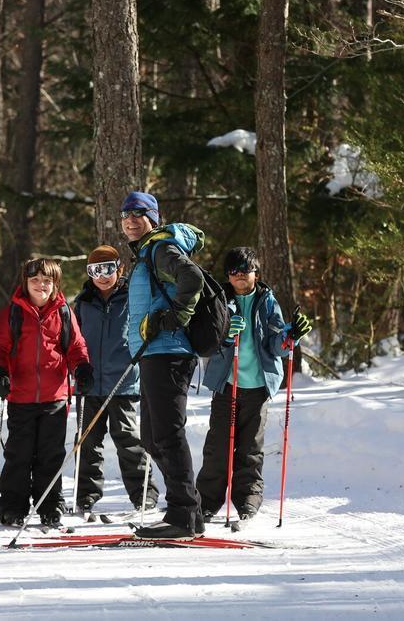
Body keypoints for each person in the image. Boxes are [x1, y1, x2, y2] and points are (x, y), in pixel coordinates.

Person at [196, 247, 310, 527]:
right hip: (227, 383)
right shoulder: (219, 299)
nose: (239, 277)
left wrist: (288, 337)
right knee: (218, 447)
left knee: (250, 448)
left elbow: (275, 343)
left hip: (257, 386)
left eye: (244, 271)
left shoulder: (267, 301)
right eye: (233, 271)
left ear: (256, 273)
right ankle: (207, 502)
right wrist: (224, 334)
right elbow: (206, 340)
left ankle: (248, 499)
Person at [118, 191, 207, 539]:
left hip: (168, 353)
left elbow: (193, 279)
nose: (131, 220)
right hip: (155, 353)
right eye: (126, 214)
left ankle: (182, 516)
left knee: (167, 436)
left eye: (139, 214)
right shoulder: (147, 253)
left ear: (154, 218)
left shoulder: (161, 248)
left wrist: (174, 316)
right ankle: (190, 511)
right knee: (152, 438)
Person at [0, 258, 92, 528]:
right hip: (20, 396)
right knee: (19, 454)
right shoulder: (12, 312)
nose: (41, 285)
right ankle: (13, 505)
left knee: (50, 454)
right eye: (35, 280)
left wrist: (82, 368)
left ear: (55, 284)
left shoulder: (63, 312)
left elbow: (76, 347)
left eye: (47, 281)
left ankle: (50, 504)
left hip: (54, 397)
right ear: (25, 283)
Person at [72, 245, 159, 515]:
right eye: (95, 270)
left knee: (129, 440)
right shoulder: (83, 302)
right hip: (89, 384)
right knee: (87, 442)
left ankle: (143, 494)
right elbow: (74, 340)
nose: (102, 275)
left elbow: (143, 332)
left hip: (123, 382)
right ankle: (85, 494)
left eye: (108, 268)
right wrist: (79, 369)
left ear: (119, 269)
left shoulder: (132, 297)